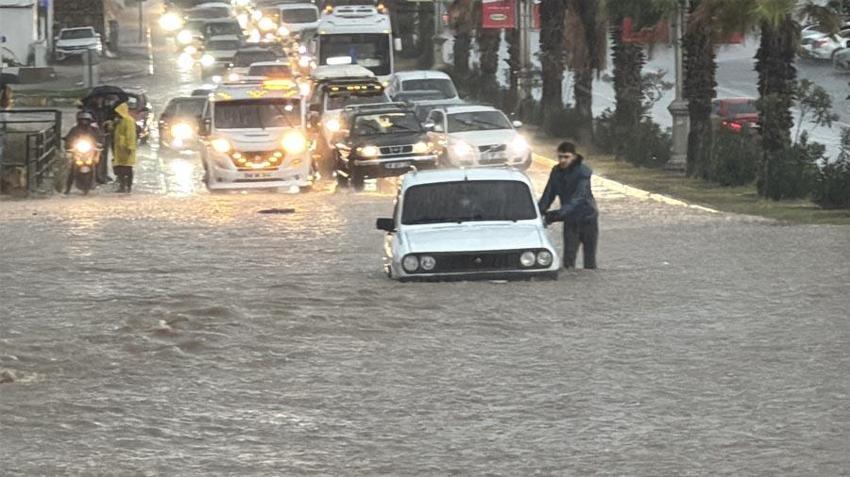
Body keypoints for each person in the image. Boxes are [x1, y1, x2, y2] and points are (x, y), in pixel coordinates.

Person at [538, 141, 599, 269]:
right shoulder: (556, 171)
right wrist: (538, 212)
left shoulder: (583, 172)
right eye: (560, 157)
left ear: (574, 157)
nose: (563, 160)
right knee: (568, 260)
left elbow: (578, 198)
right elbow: (549, 194)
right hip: (570, 220)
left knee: (590, 261)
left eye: (566, 157)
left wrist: (557, 215)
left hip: (588, 218)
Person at [64, 111, 104, 194]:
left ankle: (99, 177)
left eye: (86, 120)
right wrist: (68, 144)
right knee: (72, 168)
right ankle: (68, 188)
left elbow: (100, 137)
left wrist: (99, 144)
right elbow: (68, 138)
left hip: (90, 151)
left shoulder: (94, 129)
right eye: (82, 120)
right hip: (78, 151)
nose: (84, 122)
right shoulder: (74, 129)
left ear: (89, 121)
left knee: (98, 161)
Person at [111, 102, 137, 193]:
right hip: (119, 149)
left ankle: (128, 186)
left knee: (127, 168)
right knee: (120, 168)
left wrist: (130, 146)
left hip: (126, 149)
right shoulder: (119, 121)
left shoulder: (128, 121)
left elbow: (131, 135)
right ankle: (122, 186)